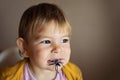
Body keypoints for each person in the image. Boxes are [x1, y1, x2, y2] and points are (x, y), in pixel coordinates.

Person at [0, 3, 83, 80]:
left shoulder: (74, 74)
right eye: (46, 41)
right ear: (24, 47)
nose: (58, 49)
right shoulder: (8, 77)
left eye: (64, 40)